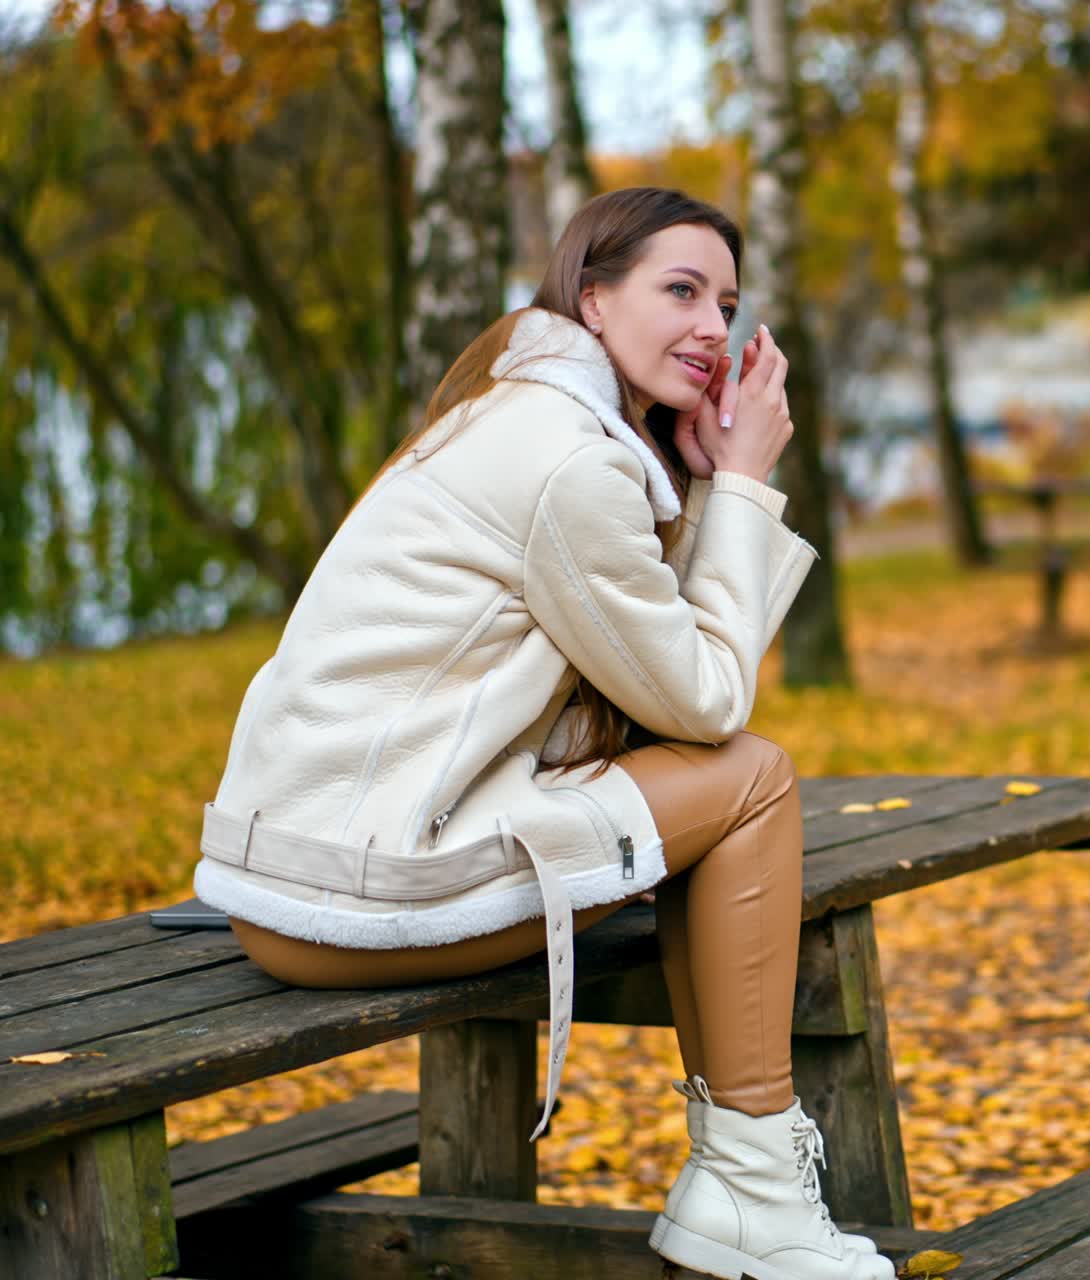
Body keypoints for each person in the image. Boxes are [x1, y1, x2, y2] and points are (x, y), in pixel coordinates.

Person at [194, 187, 895, 1280]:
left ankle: (742, 1182)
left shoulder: (517, 413)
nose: (713, 325)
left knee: (718, 784)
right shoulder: (568, 459)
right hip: (353, 891)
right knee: (750, 780)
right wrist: (746, 481)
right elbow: (709, 701)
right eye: (678, 289)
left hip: (302, 874)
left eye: (724, 298)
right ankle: (750, 1190)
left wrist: (708, 488)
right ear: (593, 297)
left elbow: (665, 678)